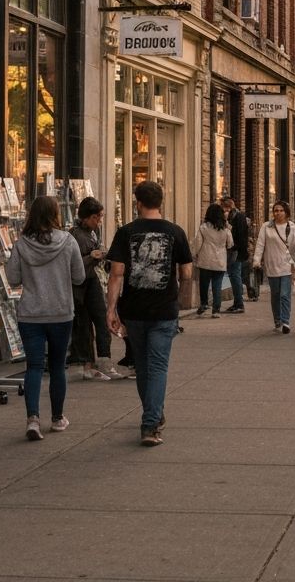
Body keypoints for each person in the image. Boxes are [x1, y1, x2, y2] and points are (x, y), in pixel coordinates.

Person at [106, 181, 193, 447]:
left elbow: (116, 273)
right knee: (157, 367)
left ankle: (152, 415)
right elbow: (187, 273)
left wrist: (111, 308)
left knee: (143, 367)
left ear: (138, 203)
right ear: (161, 202)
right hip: (164, 310)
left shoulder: (126, 232)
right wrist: (179, 299)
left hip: (133, 310)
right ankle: (151, 422)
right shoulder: (175, 232)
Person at [6, 195, 85, 441]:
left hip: (31, 314)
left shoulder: (21, 244)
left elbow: (12, 278)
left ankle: (33, 419)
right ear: (55, 214)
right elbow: (79, 277)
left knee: (34, 366)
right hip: (61, 313)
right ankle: (58, 418)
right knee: (58, 366)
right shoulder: (68, 241)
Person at [69, 196, 119, 381]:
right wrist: (92, 256)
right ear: (86, 217)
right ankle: (86, 362)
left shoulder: (93, 232)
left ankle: (104, 358)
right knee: (83, 323)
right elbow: (74, 264)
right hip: (79, 284)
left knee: (101, 317)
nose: (99, 221)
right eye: (96, 217)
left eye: (100, 217)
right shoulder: (74, 235)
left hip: (92, 280)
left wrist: (101, 255)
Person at [253, 201, 295, 334]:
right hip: (272, 265)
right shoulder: (266, 227)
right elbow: (260, 244)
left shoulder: (291, 226)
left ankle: (285, 321)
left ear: (286, 212)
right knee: (275, 294)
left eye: (281, 210)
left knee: (285, 294)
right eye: (276, 210)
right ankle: (277, 320)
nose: (278, 213)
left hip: (286, 265)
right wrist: (256, 260)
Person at [192, 203, 233, 318]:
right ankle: (216, 310)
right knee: (217, 285)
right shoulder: (225, 228)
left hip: (205, 260)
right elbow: (230, 244)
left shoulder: (204, 227)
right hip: (220, 261)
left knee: (204, 284)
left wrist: (193, 254)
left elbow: (197, 244)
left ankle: (204, 304)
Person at [221, 195, 251, 312]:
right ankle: (238, 302)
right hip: (235, 251)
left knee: (235, 276)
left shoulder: (237, 217)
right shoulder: (236, 216)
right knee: (234, 276)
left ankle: (239, 303)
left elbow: (241, 236)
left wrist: (239, 251)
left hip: (235, 252)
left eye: (224, 207)